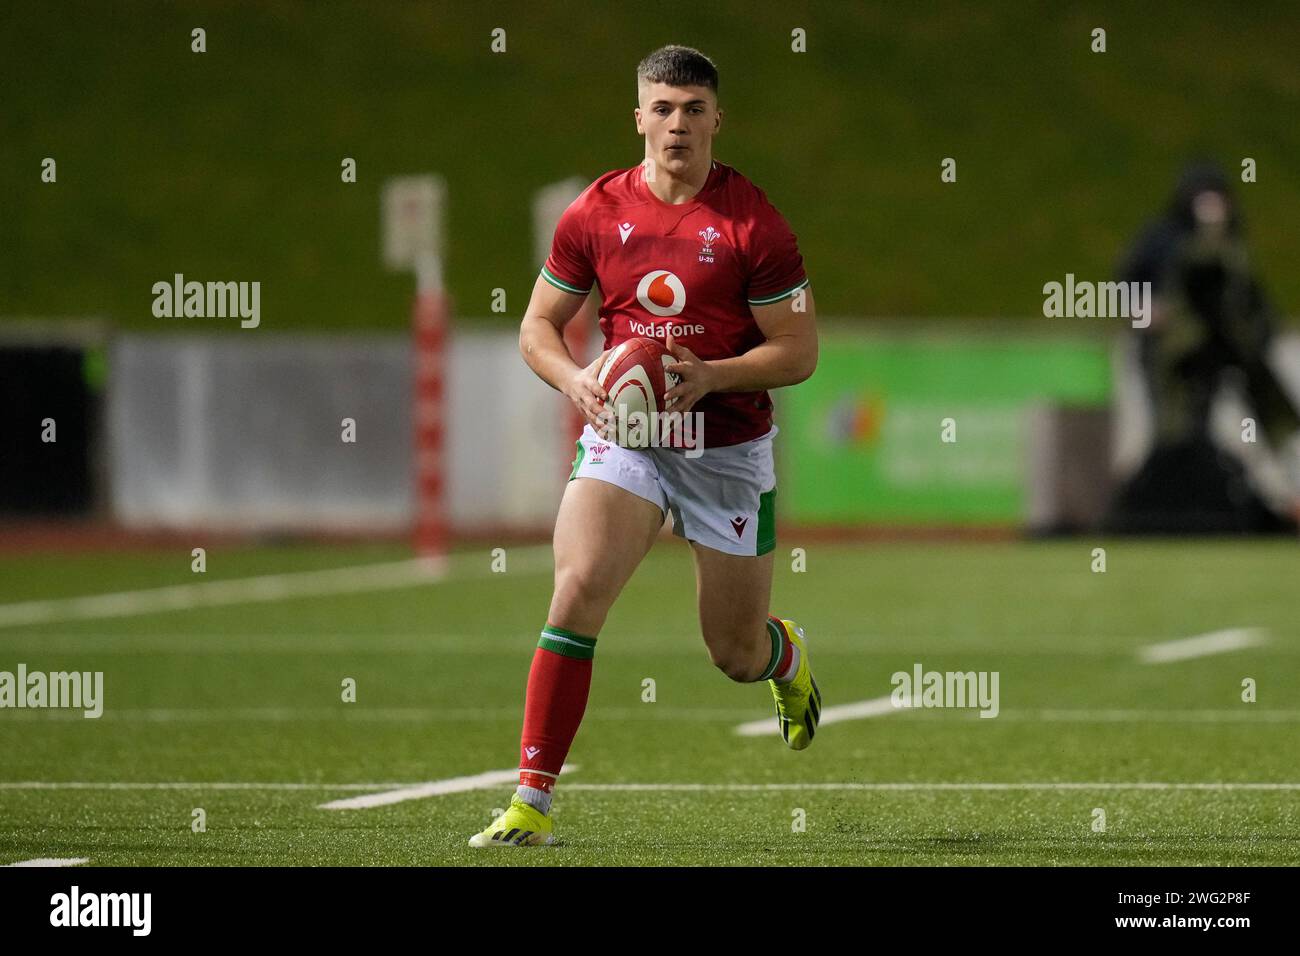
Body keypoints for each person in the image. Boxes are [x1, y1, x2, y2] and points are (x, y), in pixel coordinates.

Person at [469, 45, 821, 847]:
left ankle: (785, 657)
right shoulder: (594, 213)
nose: (677, 125)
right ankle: (532, 799)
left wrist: (716, 375)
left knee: (733, 651)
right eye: (662, 109)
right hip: (628, 434)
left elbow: (798, 351)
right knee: (580, 585)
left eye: (694, 110)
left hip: (726, 445)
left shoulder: (753, 224)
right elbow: (537, 329)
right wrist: (576, 381)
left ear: (716, 120)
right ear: (638, 118)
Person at [1104, 161, 1300, 533]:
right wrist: (1147, 316)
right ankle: (1168, 501)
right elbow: (1128, 288)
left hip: (1215, 354)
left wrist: (1254, 334)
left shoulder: (1229, 244)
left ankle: (1206, 497)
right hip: (1168, 356)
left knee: (1210, 428)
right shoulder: (1162, 238)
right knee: (1175, 430)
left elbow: (1246, 299)